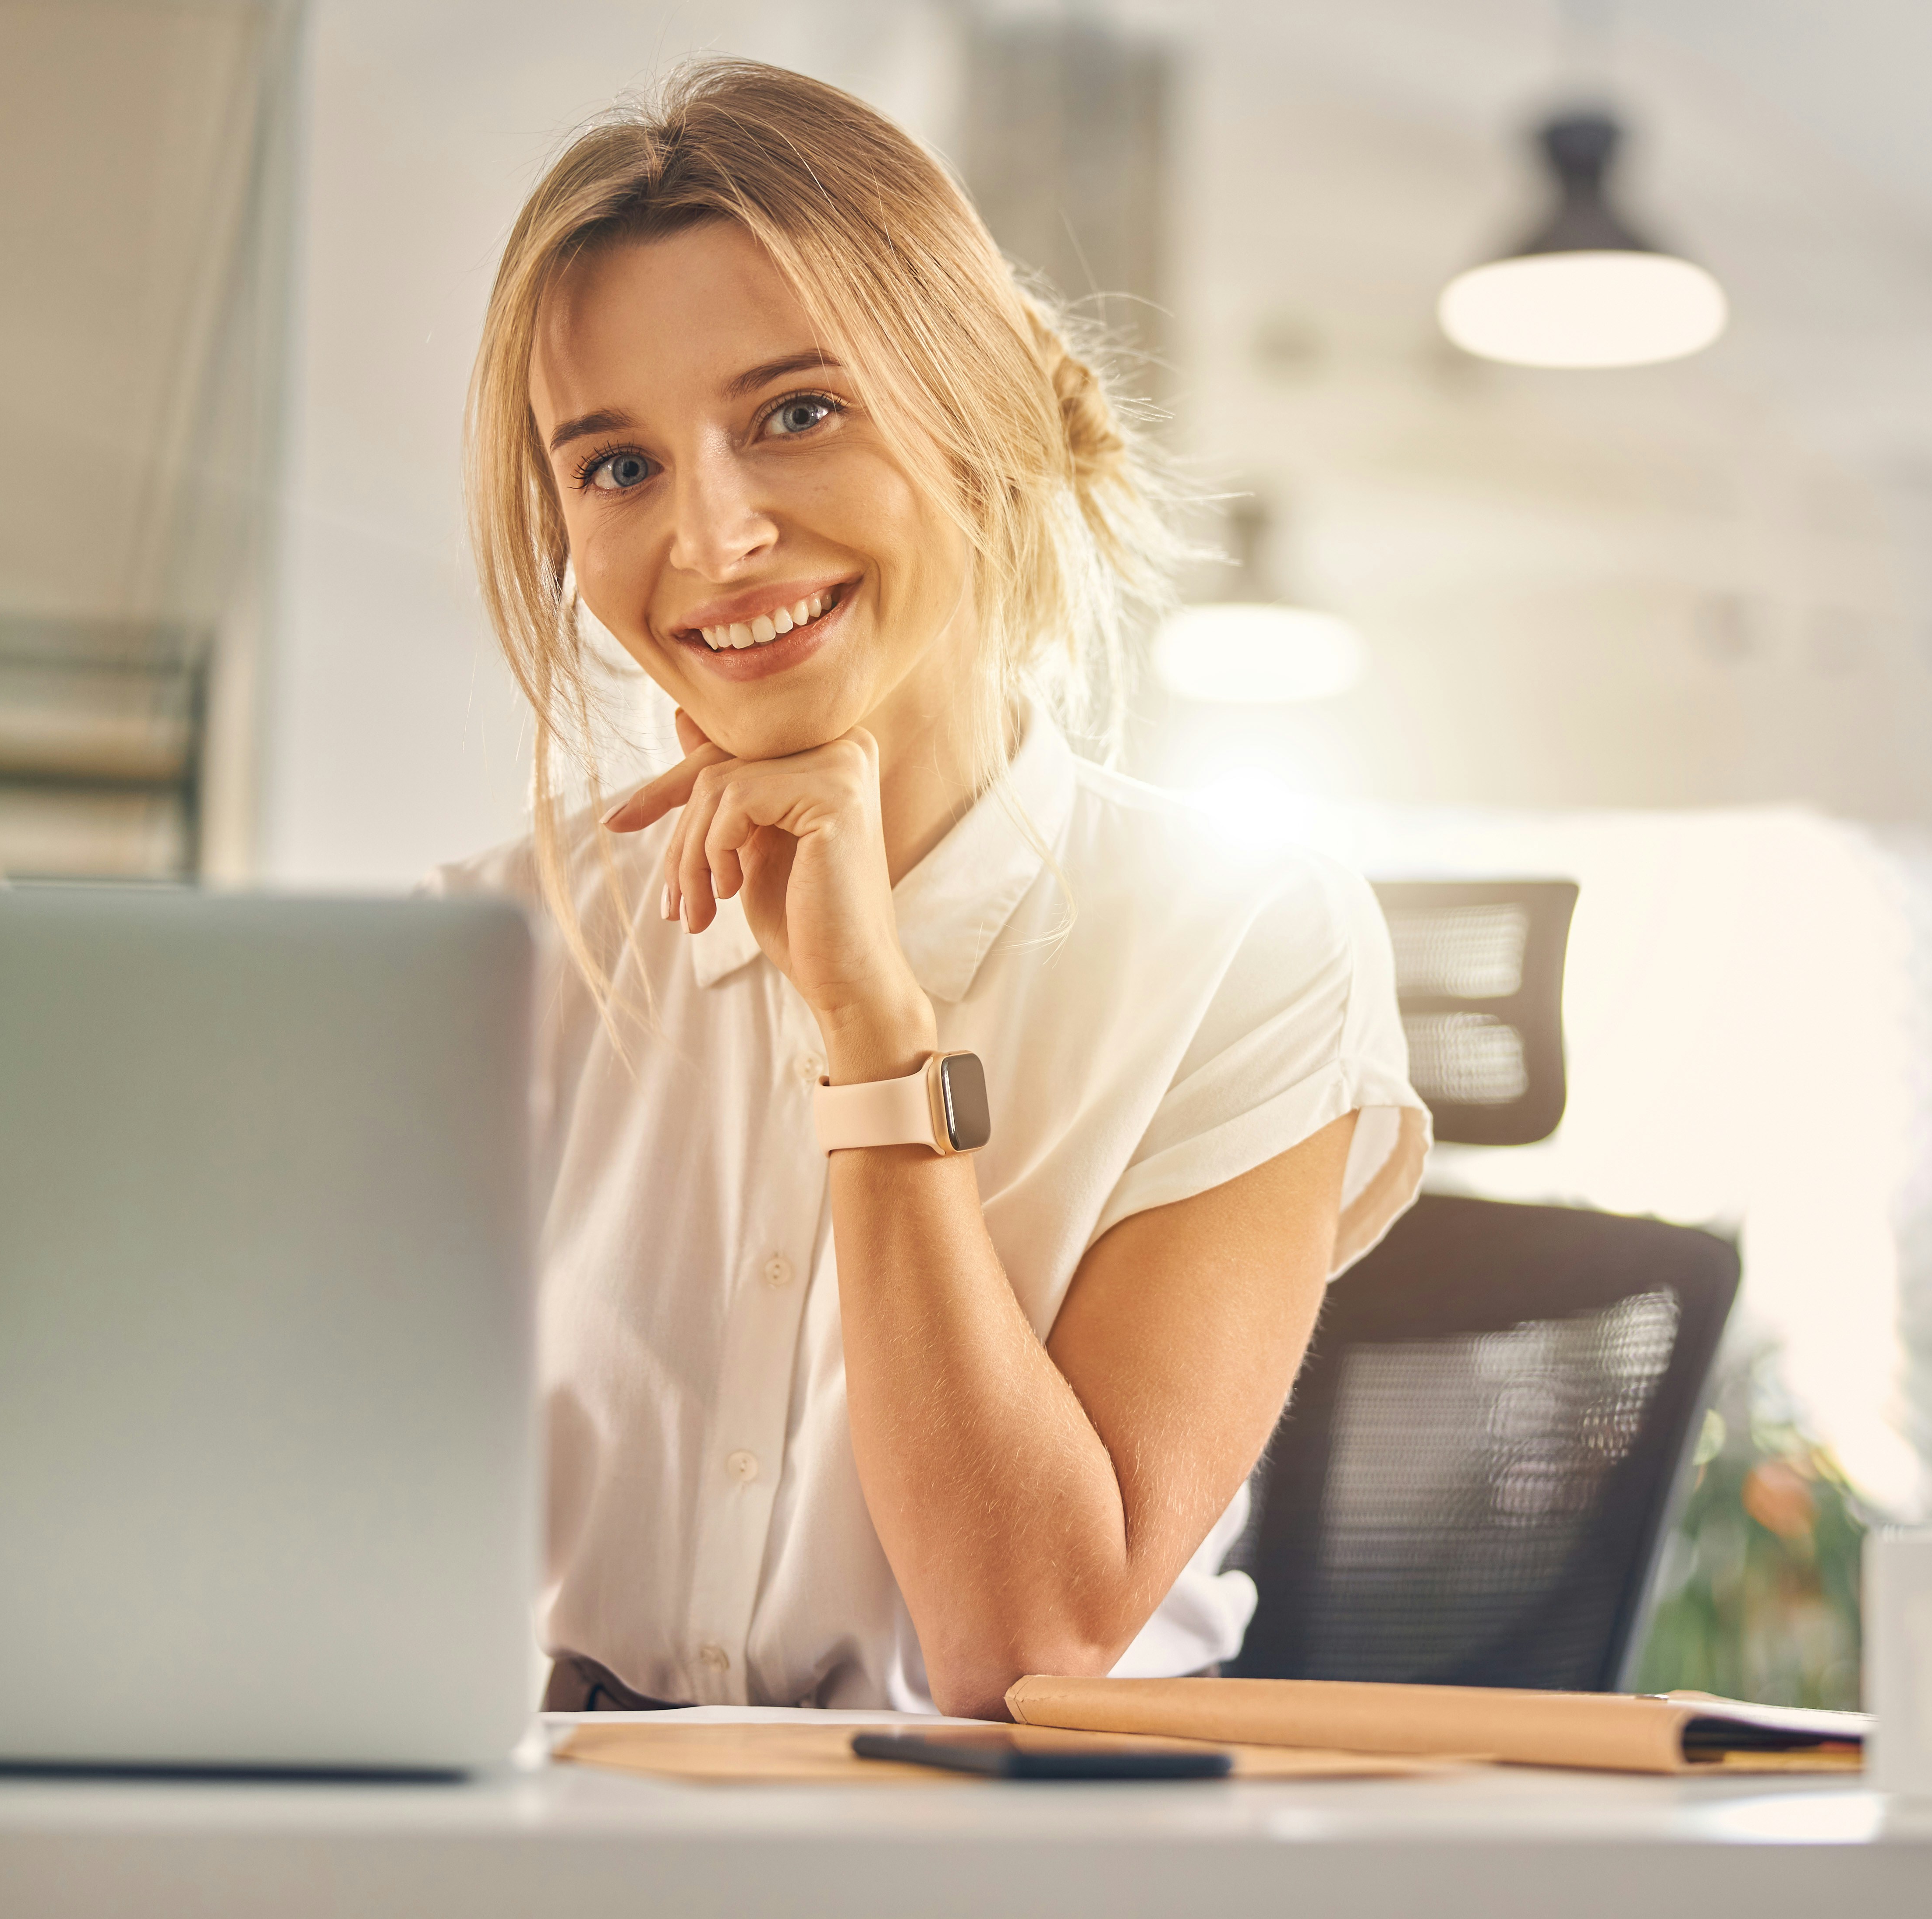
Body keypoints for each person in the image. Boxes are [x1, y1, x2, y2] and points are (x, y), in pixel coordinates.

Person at [431, 56, 1426, 1721]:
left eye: (795, 414)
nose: (715, 538)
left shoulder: (1245, 941)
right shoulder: (486, 947)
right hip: (572, 1819)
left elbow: (1025, 1642)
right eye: (616, 467)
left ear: (971, 412)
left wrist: (871, 1030)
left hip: (1013, 1837)